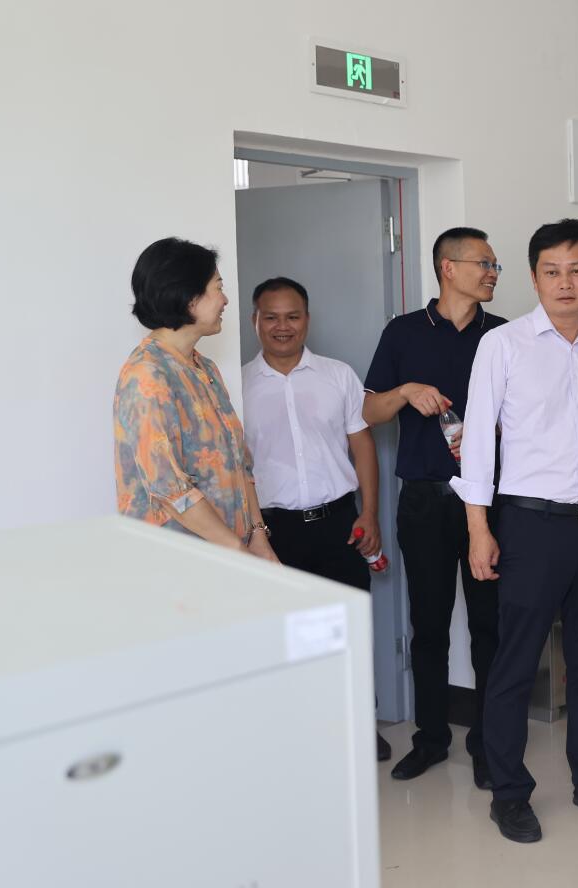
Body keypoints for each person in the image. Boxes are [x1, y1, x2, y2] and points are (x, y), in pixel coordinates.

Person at [452, 218, 578, 844]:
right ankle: (510, 793)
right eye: (551, 271)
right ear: (535, 278)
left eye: (576, 270)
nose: (565, 283)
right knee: (515, 663)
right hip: (529, 525)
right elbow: (478, 441)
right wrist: (479, 528)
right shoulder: (503, 345)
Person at [363, 227, 506, 789]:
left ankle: (489, 743)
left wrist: (492, 431)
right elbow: (369, 412)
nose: (492, 273)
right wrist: (405, 392)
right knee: (428, 625)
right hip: (424, 500)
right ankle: (430, 739)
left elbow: (528, 416)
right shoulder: (402, 332)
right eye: (483, 263)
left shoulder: (504, 335)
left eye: (495, 265)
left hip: (488, 502)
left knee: (491, 626)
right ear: (448, 268)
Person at [240, 276, 391, 762]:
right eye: (271, 317)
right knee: (285, 638)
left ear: (307, 319)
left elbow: (361, 446)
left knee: (347, 631)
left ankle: (359, 726)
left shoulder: (337, 375)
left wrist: (369, 513)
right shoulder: (236, 386)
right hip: (272, 531)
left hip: (338, 523)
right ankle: (301, 736)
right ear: (255, 321)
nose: (282, 327)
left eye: (292, 316)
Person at [114, 237, 278, 564]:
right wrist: (238, 551)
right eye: (218, 287)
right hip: (179, 563)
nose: (225, 299)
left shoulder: (205, 368)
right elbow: (169, 489)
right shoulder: (148, 375)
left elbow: (239, 463)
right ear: (189, 297)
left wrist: (258, 537)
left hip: (230, 554)